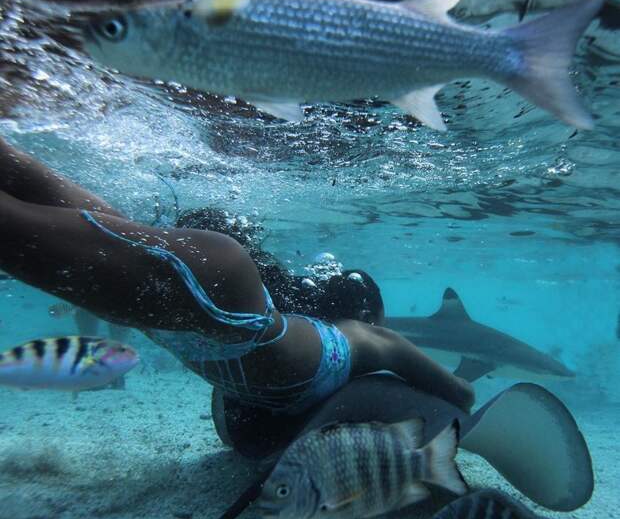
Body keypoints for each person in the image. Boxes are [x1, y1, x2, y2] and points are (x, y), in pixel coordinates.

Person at [0, 136, 474, 454]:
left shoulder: (315, 346)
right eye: (380, 320)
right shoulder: (365, 340)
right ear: (366, 316)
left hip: (208, 296)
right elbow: (461, 393)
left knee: (24, 185)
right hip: (221, 297)